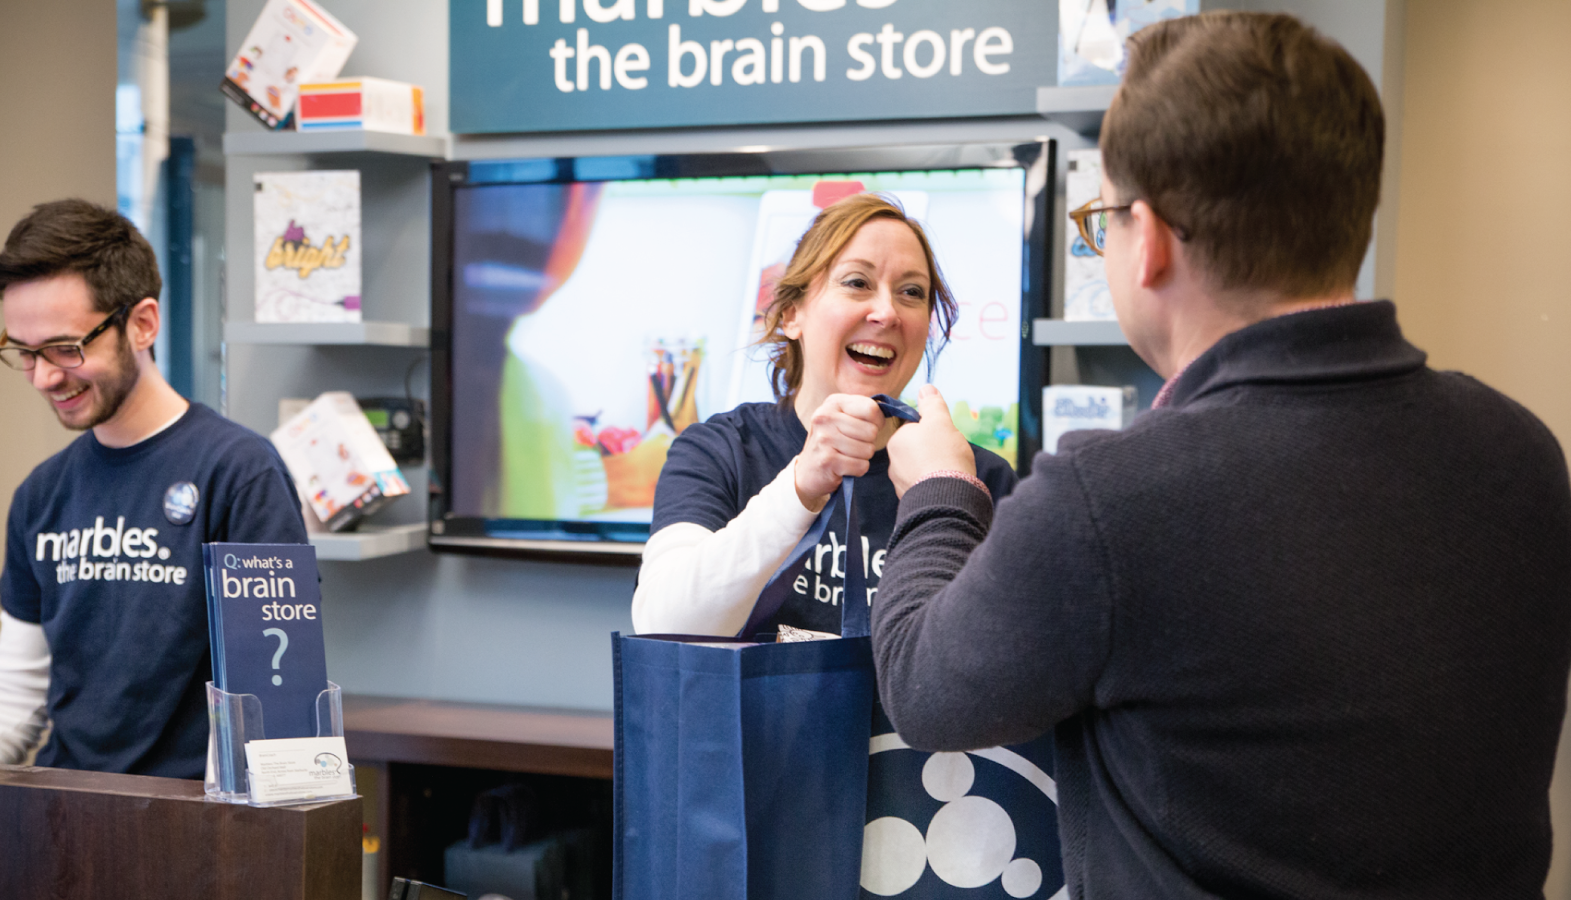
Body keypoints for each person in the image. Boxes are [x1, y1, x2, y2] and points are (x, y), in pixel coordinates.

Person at [872, 12, 1571, 899]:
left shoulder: (1108, 503)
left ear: (1151, 238)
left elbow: (925, 691)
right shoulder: (1521, 452)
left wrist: (938, 489)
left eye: (1105, 220)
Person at [0, 199, 308, 778]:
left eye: (65, 348)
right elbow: (15, 694)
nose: (45, 376)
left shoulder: (241, 474)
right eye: (25, 353)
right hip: (66, 818)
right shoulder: (41, 495)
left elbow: (267, 704)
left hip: (193, 825)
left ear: (143, 323)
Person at [632, 192, 1016, 637]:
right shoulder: (719, 451)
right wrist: (800, 487)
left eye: (912, 292)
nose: (887, 312)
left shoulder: (982, 479)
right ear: (791, 314)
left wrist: (946, 491)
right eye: (857, 282)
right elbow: (664, 625)